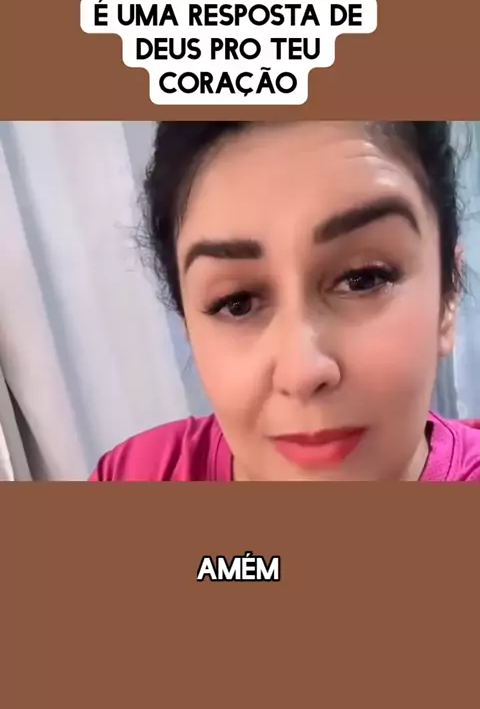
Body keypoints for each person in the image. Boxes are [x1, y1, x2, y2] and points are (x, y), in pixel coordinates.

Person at [90, 121, 480, 482]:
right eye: (237, 302)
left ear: (447, 294)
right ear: (188, 327)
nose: (302, 372)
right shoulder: (131, 476)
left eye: (363, 279)